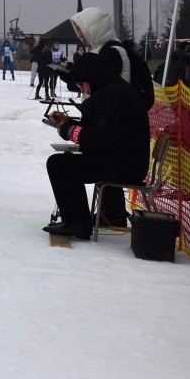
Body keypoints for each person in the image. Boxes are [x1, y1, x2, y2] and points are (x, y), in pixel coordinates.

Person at [44, 52, 151, 239]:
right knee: (64, 163)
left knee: (59, 165)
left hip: (125, 165)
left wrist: (69, 130)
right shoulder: (114, 91)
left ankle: (77, 223)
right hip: (123, 160)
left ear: (92, 77)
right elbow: (103, 129)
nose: (83, 90)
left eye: (82, 85)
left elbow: (101, 137)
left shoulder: (113, 96)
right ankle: (77, 221)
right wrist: (68, 122)